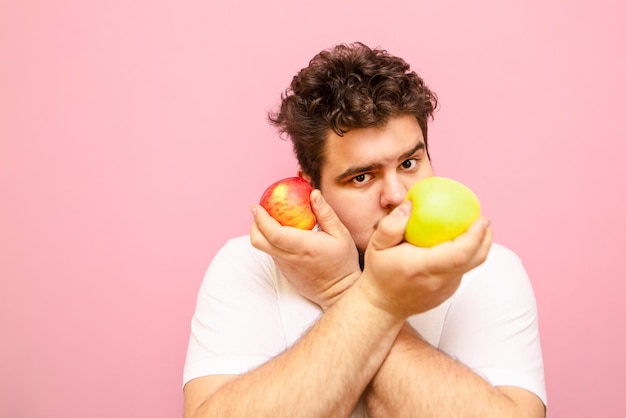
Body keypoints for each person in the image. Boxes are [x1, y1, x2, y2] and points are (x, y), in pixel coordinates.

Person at [182, 42, 547, 417]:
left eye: (409, 162)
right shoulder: (250, 264)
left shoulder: (486, 268)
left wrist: (344, 291)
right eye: (361, 177)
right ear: (312, 189)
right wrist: (370, 300)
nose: (396, 196)